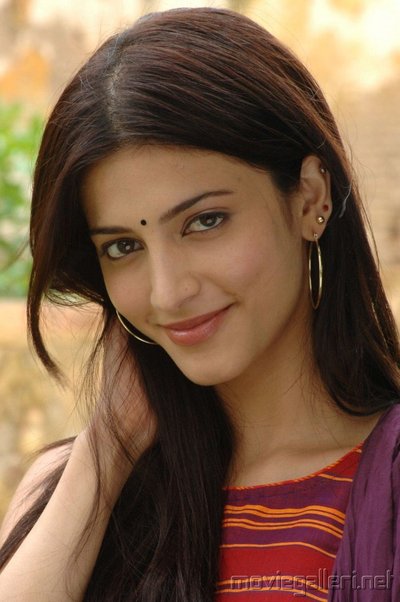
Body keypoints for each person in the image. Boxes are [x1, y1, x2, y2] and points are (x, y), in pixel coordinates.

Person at [0, 6, 399, 601]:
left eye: (204, 221)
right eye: (123, 246)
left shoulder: (385, 483)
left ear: (309, 197)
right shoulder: (72, 493)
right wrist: (104, 456)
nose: (167, 292)